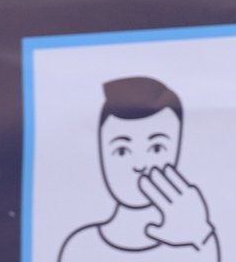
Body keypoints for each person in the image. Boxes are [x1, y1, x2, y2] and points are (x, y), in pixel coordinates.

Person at [59, 77, 220, 262]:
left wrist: (200, 236)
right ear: (101, 152)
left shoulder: (197, 243)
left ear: (177, 148)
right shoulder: (80, 247)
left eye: (157, 148)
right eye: (121, 151)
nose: (140, 165)